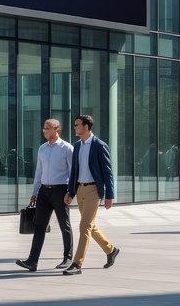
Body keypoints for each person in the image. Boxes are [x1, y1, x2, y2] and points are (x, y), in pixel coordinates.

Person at [15, 119, 75, 272]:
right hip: (43, 192)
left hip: (60, 191)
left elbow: (73, 172)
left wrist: (70, 192)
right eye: (44, 128)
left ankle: (68, 257)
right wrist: (34, 192)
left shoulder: (67, 148)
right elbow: (39, 172)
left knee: (64, 224)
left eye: (48, 128)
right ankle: (32, 261)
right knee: (39, 226)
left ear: (57, 130)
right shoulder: (42, 149)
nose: (44, 131)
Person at [63, 114, 118, 275]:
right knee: (90, 225)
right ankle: (111, 250)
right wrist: (70, 192)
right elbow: (74, 171)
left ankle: (77, 263)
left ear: (87, 126)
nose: (75, 127)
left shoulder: (99, 145)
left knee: (84, 226)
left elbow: (108, 173)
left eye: (77, 125)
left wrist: (109, 195)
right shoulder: (77, 146)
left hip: (94, 190)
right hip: (80, 189)